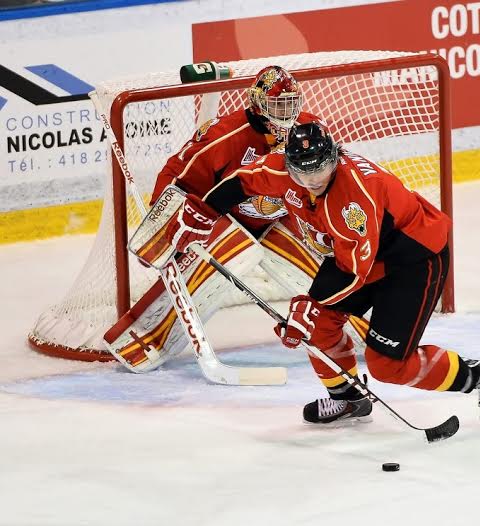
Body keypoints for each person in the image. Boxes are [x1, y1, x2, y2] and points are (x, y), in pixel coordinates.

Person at [161, 121, 480, 425]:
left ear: (334, 158)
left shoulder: (353, 200)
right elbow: (241, 182)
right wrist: (204, 211)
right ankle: (349, 399)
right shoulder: (283, 171)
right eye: (303, 172)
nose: (312, 179)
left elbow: (351, 272)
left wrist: (308, 303)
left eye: (319, 169)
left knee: (387, 365)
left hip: (414, 258)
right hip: (366, 258)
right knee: (316, 325)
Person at [108, 67, 369, 371]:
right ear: (257, 103)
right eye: (277, 105)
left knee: (323, 270)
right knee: (225, 263)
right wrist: (162, 225)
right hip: (223, 219)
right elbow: (178, 175)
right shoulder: (224, 136)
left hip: (276, 219)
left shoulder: (309, 131)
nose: (286, 114)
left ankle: (366, 331)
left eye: (290, 104)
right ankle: (145, 338)